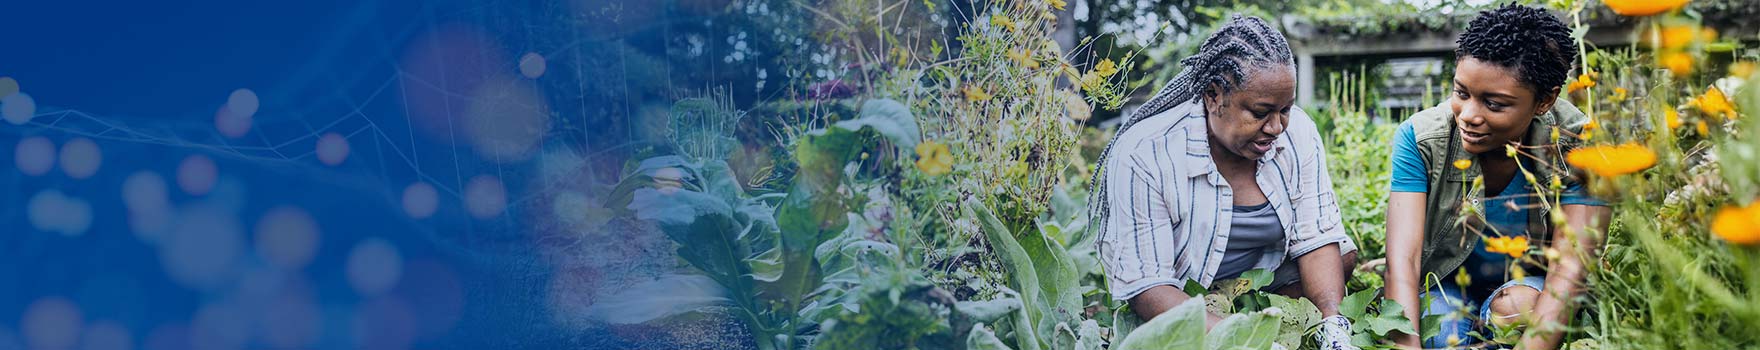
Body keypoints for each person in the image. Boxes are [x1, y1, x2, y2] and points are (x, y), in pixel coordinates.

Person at [1092, 14, 1359, 349]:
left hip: (1262, 283)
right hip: (1183, 292)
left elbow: (1317, 236)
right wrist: (1246, 340)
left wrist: (1332, 323)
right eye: (1260, 113)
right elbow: (1148, 286)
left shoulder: (1299, 132)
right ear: (1213, 96)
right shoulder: (1145, 152)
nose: (1277, 127)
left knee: (1341, 255)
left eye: (1285, 109)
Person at [1381, 5, 1613, 349]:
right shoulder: (1420, 139)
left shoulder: (1579, 146)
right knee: (1444, 337)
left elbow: (1569, 272)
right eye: (1462, 93)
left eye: (1495, 104)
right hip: (1445, 284)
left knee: (1518, 311)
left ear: (1544, 101)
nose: (1469, 116)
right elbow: (1403, 260)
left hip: (1526, 291)